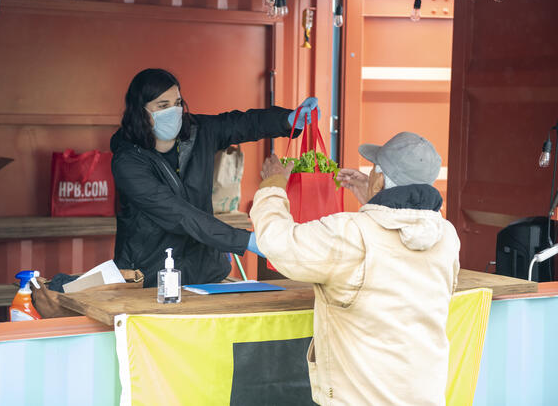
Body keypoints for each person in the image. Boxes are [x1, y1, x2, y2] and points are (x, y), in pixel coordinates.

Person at [250, 132, 460, 406]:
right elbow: (400, 241)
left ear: (381, 179)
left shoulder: (351, 234)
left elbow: (279, 244)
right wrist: (374, 202)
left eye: (374, 170)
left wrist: (272, 186)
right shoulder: (446, 236)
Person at [110, 68, 320, 287]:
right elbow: (179, 215)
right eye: (163, 106)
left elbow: (243, 123)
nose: (174, 111)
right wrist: (247, 241)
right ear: (140, 112)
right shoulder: (128, 163)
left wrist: (287, 120)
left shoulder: (197, 131)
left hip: (204, 271)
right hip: (149, 277)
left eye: (177, 103)